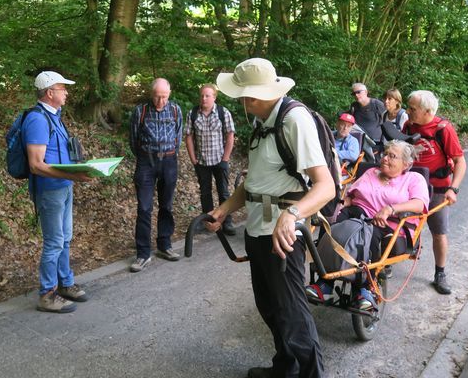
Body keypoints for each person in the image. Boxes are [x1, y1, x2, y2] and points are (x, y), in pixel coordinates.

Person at [207, 58, 334, 378]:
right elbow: (254, 183)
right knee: (270, 307)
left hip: (284, 234)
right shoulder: (261, 122)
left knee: (292, 312)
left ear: (254, 96)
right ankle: (285, 367)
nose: (242, 102)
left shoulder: (295, 121)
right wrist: (223, 210)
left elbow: (326, 186)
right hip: (258, 228)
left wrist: (291, 215)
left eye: (243, 96)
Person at [306, 140, 429, 310]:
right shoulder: (371, 172)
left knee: (367, 235)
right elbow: (352, 196)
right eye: (385, 154)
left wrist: (390, 209)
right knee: (331, 226)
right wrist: (342, 204)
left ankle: (364, 289)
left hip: (387, 222)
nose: (385, 158)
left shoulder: (414, 179)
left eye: (392, 156)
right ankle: (325, 283)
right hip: (357, 213)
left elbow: (418, 204)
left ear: (406, 164)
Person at [24, 71, 94, 313]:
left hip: (64, 187)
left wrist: (79, 171)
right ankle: (47, 294)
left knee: (64, 238)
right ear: (50, 92)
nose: (67, 92)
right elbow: (36, 164)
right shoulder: (37, 120)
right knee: (54, 242)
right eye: (63, 88)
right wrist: (73, 175)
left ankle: (65, 284)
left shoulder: (54, 116)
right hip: (50, 190)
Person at [404, 90, 466, 295]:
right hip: (411, 187)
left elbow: (460, 161)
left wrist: (453, 188)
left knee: (439, 232)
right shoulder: (408, 126)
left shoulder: (443, 129)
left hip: (437, 189)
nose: (408, 111)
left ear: (427, 111)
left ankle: (440, 273)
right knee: (401, 224)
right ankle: (392, 260)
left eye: (412, 108)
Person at [129, 78, 183, 272]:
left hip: (169, 161)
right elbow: (133, 140)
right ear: (151, 94)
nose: (161, 101)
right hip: (146, 162)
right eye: (157, 96)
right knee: (144, 208)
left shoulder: (176, 110)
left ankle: (164, 244)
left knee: (166, 205)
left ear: (169, 94)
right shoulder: (140, 111)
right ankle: (143, 253)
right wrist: (146, 155)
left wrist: (168, 154)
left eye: (164, 97)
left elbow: (178, 137)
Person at [185, 84, 236, 235]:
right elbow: (188, 136)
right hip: (201, 162)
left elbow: (230, 135)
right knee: (205, 193)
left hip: (220, 160)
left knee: (223, 192)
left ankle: (227, 222)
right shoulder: (193, 113)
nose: (204, 98)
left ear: (214, 97)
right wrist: (193, 159)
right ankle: (208, 222)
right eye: (202, 95)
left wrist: (225, 158)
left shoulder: (222, 112)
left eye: (207, 96)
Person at [349, 83, 385, 149]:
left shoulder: (377, 104)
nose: (356, 95)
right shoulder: (354, 106)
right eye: (354, 94)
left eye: (358, 92)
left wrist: (382, 143)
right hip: (358, 141)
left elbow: (387, 124)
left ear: (366, 92)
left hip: (376, 143)